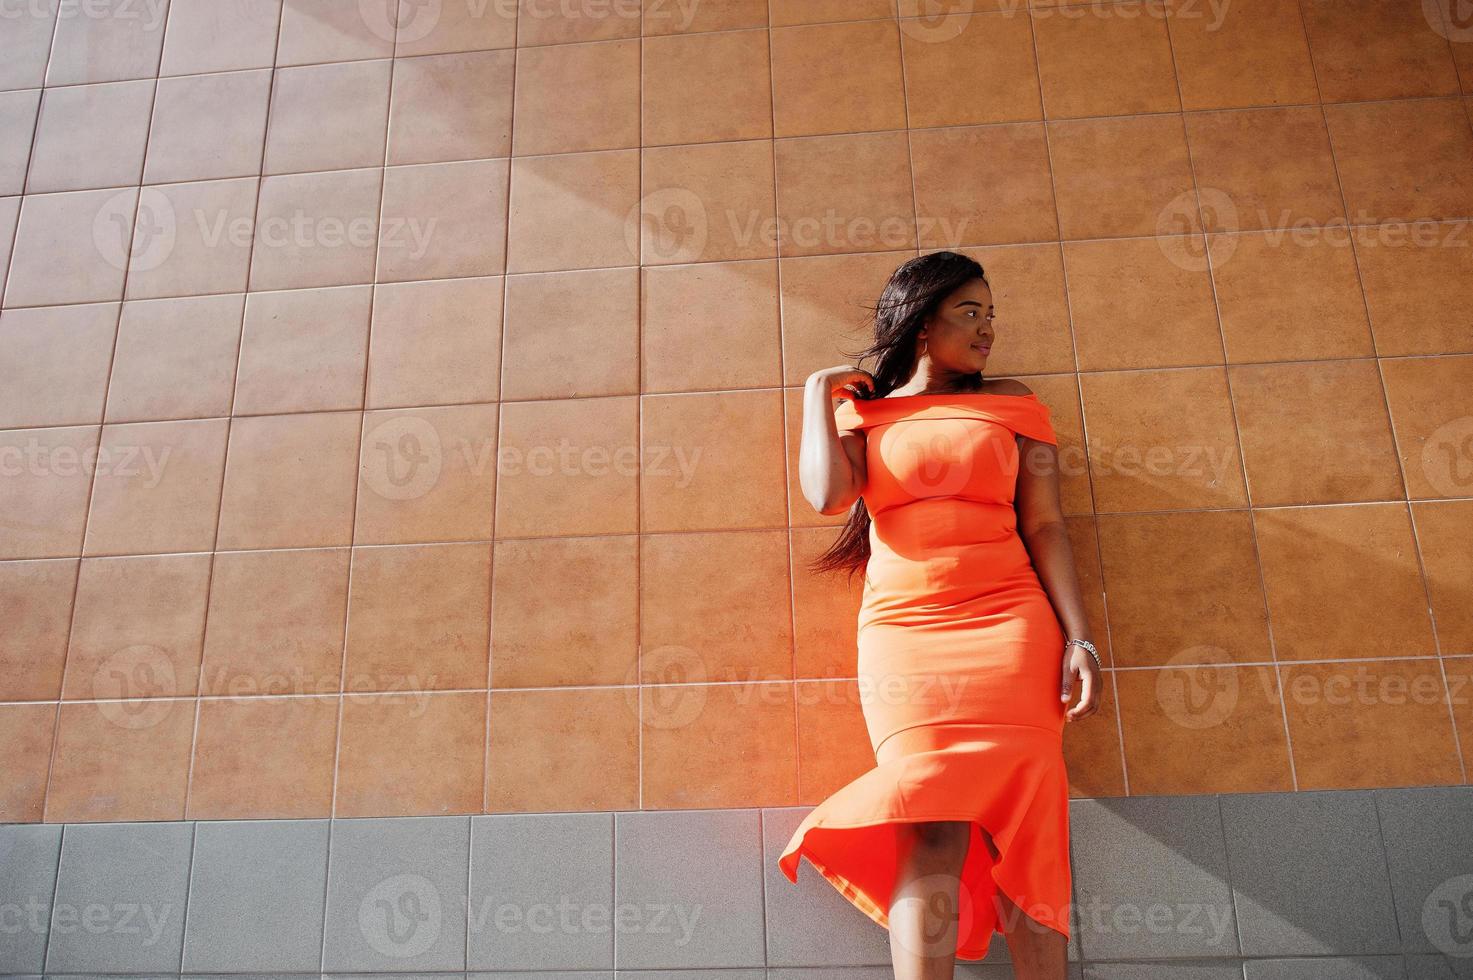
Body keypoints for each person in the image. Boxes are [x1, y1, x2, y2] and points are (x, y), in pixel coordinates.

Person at [777, 250, 1103, 980]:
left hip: (1010, 628)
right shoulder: (865, 411)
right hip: (904, 639)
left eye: (991, 314)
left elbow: (1045, 525)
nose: (988, 329)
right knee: (925, 828)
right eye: (970, 312)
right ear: (921, 322)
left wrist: (1079, 638)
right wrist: (816, 396)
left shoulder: (1013, 403)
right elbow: (828, 498)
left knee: (1028, 830)